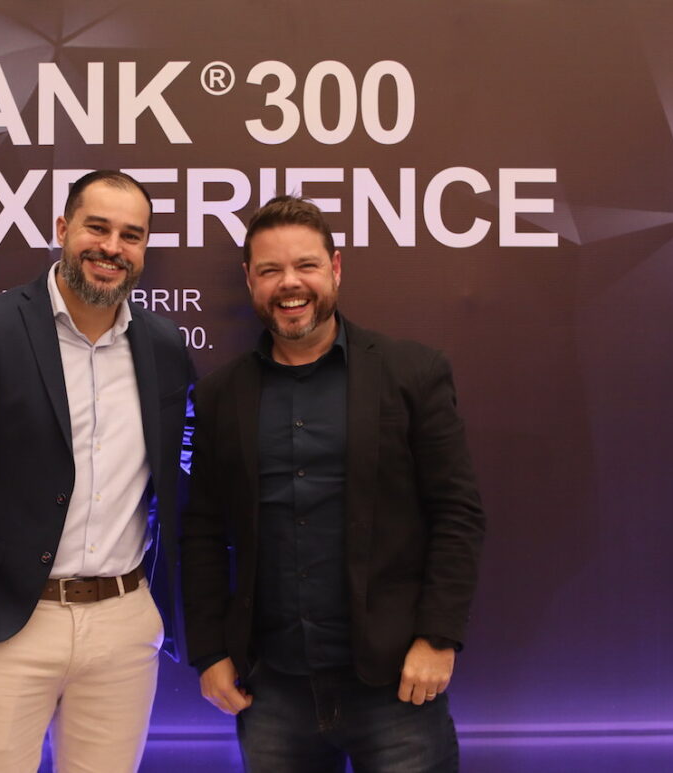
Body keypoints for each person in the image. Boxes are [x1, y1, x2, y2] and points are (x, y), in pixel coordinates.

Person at [181, 196, 485, 772]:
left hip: (397, 684)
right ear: (249, 279)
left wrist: (438, 637)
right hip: (270, 690)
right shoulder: (221, 395)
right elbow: (201, 533)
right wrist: (210, 652)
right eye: (270, 270)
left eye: (306, 265)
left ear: (336, 268)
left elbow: (457, 513)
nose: (289, 284)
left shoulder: (411, 373)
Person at [0, 170, 194, 773]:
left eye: (131, 235)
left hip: (123, 625)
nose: (112, 248)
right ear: (63, 228)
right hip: (4, 624)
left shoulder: (164, 346)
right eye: (97, 228)